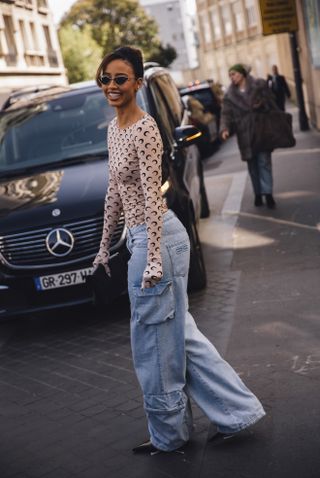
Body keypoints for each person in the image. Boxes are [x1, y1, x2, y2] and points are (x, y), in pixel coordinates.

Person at [93, 47, 265, 455]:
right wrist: (103, 247)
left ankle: (169, 436)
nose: (112, 86)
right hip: (140, 239)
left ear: (137, 83)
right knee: (178, 337)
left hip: (159, 240)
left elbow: (153, 198)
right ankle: (236, 412)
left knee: (153, 342)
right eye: (105, 79)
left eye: (120, 79)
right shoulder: (114, 130)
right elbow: (114, 193)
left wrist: (152, 257)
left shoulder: (146, 128)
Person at [221, 63, 278, 209]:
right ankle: (258, 193)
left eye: (234, 74)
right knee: (252, 166)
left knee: (264, 162)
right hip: (244, 133)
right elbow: (226, 114)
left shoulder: (258, 86)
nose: (231, 78)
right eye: (230, 75)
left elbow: (271, 101)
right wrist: (225, 128)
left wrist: (262, 103)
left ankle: (268, 193)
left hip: (261, 129)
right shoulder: (229, 95)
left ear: (242, 74)